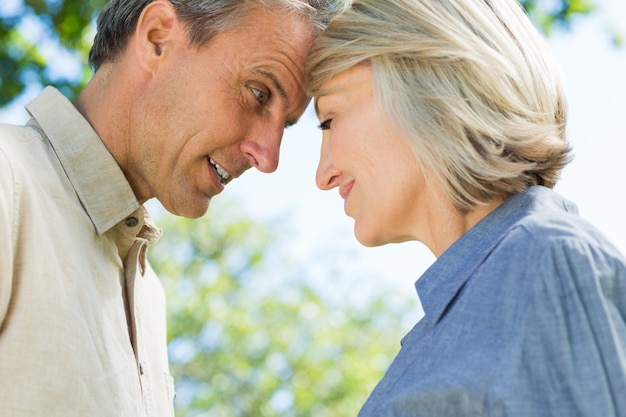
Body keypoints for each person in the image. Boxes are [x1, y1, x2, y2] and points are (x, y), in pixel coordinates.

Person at [0, 0, 344, 415]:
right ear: (157, 37)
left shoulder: (148, 294)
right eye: (258, 93)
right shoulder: (7, 180)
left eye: (285, 125)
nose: (269, 157)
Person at [305, 0, 626, 416]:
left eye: (329, 120)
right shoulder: (449, 325)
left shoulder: (546, 260)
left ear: (424, 81)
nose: (322, 173)